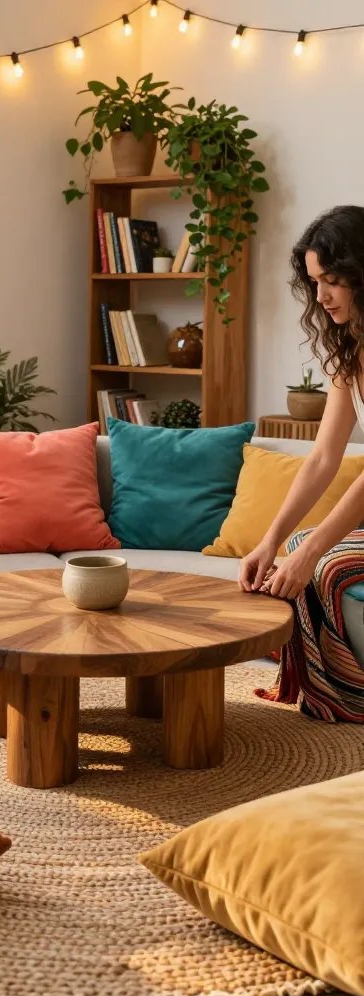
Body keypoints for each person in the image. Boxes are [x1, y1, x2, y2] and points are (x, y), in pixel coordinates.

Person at [238, 204, 364, 722]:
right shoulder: (351, 351)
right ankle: (330, 694)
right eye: (315, 282)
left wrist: (311, 551)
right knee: (291, 549)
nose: (322, 296)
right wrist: (270, 541)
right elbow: (322, 458)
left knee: (324, 563)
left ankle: (352, 698)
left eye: (333, 280)